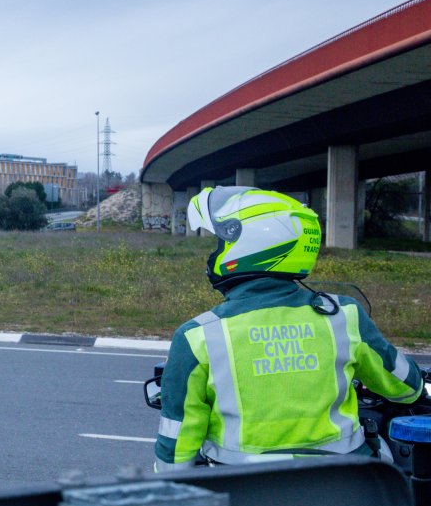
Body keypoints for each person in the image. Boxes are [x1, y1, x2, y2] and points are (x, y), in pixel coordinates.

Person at [154, 186, 423, 471]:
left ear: (248, 244)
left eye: (220, 243)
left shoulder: (197, 335)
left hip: (244, 497)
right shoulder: (343, 316)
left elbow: (175, 452)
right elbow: (407, 388)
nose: (215, 253)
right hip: (344, 493)